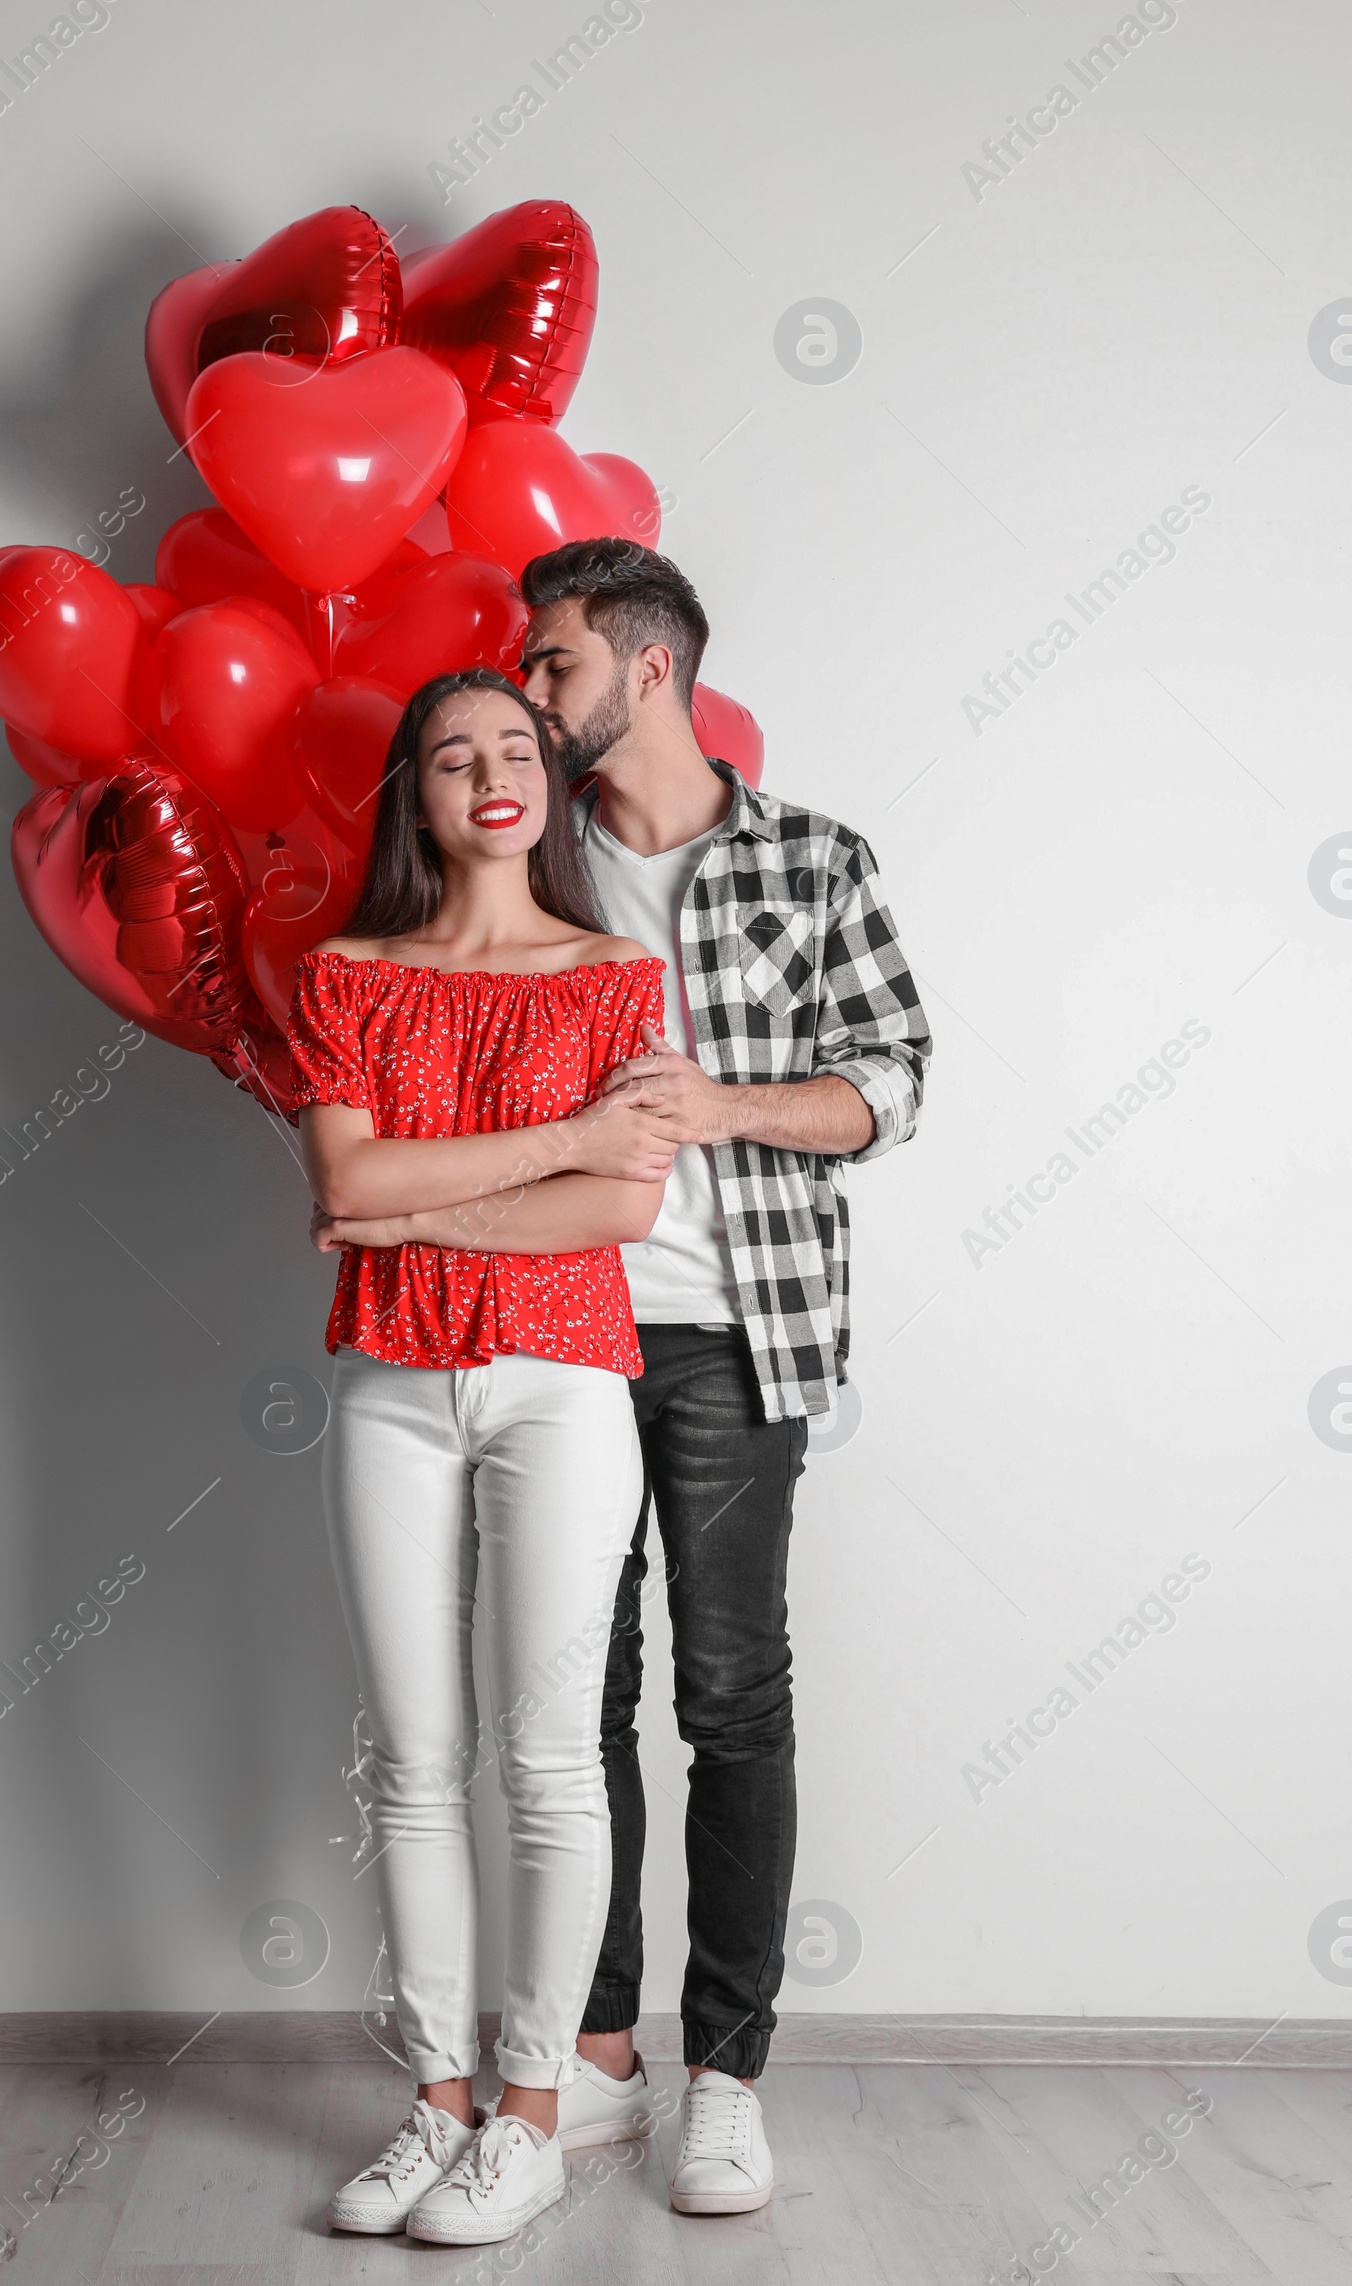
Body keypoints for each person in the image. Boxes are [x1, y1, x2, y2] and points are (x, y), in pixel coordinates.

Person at [513, 538, 934, 2214]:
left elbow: (893, 1084)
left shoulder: (817, 859)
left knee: (729, 1696)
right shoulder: (525, 859)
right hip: (547, 1326)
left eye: (552, 665)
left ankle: (728, 2073)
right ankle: (600, 2052)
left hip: (730, 1335)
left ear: (649, 669)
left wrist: (725, 1103)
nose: (530, 696)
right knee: (572, 1703)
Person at [280, 666, 679, 2248]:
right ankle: (435, 2099)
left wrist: (409, 1203)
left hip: (562, 1381)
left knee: (549, 1757)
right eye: (455, 756)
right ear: (418, 798)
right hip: (388, 1382)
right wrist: (554, 1140)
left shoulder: (616, 979)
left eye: (518, 747)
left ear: (548, 785)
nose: (492, 773)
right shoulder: (345, 972)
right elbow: (341, 1169)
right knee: (409, 1758)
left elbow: (620, 1209)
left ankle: (531, 2110)